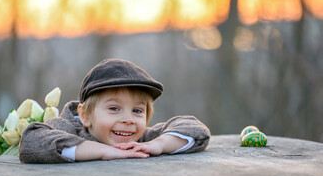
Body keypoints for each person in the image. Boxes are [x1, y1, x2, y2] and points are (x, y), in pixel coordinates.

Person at [19, 58, 210, 163]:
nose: (128, 119)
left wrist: (159, 144)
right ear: (85, 115)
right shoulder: (68, 128)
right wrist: (102, 151)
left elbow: (196, 129)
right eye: (114, 108)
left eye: (137, 111)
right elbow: (31, 142)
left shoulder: (141, 141)